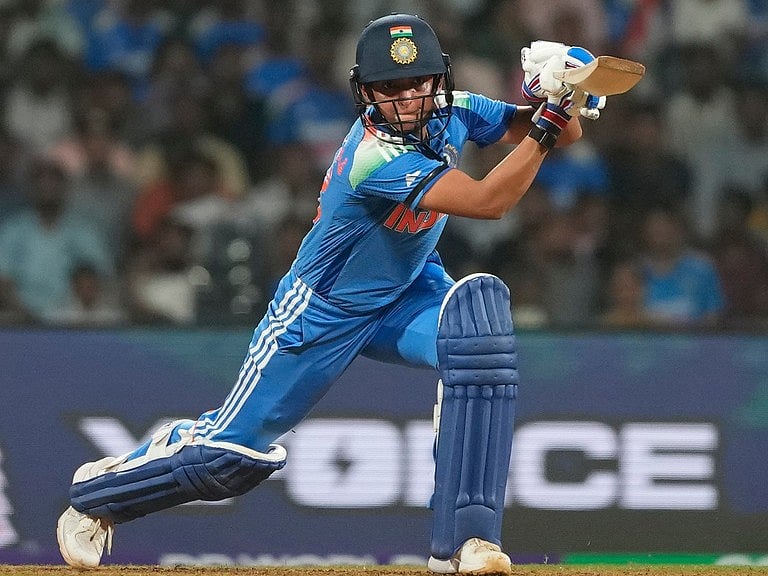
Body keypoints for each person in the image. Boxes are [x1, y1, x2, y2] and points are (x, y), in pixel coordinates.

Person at [56, 13, 605, 576]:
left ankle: (466, 544)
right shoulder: (374, 155)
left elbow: (561, 134)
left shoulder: (457, 108)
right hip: (322, 311)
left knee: (478, 337)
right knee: (228, 461)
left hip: (406, 290)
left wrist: (557, 94)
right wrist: (550, 117)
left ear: (438, 78)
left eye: (417, 82)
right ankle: (99, 496)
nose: (407, 97)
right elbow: (489, 201)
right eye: (390, 87)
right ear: (365, 92)